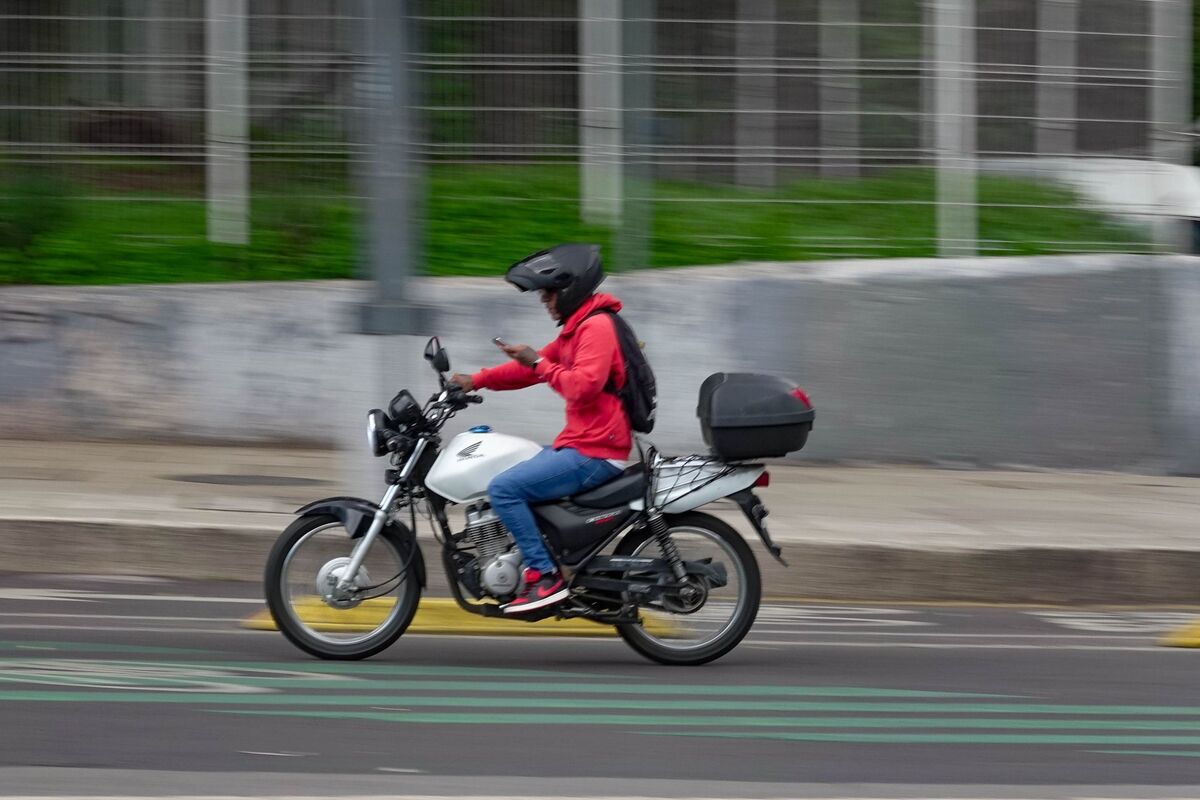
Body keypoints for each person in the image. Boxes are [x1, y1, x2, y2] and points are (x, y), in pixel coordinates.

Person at [449, 244, 630, 614]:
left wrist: (539, 364)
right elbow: (530, 370)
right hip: (582, 444)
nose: (544, 301)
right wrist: (476, 380)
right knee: (510, 466)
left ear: (570, 289)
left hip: (596, 451)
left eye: (548, 293)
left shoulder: (596, 328)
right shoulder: (579, 328)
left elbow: (582, 386)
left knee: (504, 488)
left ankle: (544, 576)